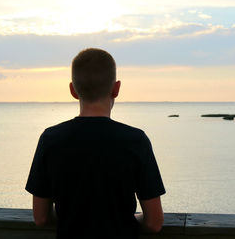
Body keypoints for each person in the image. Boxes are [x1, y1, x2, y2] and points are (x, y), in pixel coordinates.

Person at [25, 48, 166, 238]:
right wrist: (128, 220)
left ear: (73, 90)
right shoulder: (136, 140)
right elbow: (154, 223)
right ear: (116, 89)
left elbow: (40, 218)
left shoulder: (50, 139)